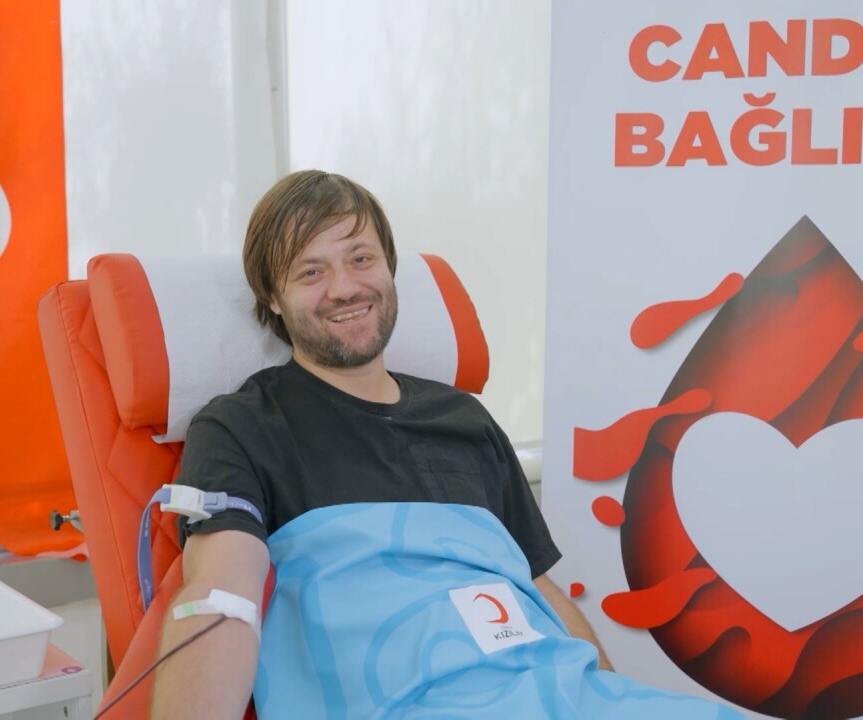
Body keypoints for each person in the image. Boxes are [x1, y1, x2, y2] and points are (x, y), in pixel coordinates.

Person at [150, 170, 739, 719]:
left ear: (389, 268)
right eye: (311, 272)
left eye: (361, 258)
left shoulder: (463, 418)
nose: (345, 288)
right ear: (273, 298)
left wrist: (610, 696)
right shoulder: (241, 427)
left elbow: (538, 587)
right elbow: (220, 594)